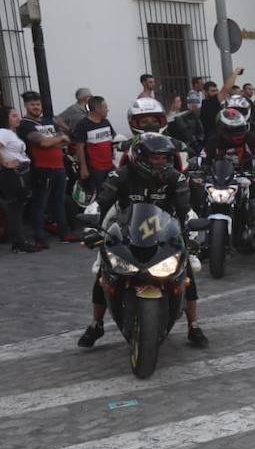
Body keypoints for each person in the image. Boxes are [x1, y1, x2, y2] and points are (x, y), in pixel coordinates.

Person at [78, 132, 209, 349]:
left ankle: (193, 325)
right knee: (103, 271)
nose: (161, 162)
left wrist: (193, 240)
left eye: (165, 158)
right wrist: (91, 229)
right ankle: (96, 323)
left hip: (165, 233)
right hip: (125, 232)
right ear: (140, 157)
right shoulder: (120, 176)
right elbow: (100, 204)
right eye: (155, 158)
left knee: (186, 271)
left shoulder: (175, 178)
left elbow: (187, 211)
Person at [201, 107, 255, 260]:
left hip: (248, 180)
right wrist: (198, 167)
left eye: (239, 129)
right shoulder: (213, 141)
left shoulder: (251, 138)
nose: (237, 133)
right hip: (220, 182)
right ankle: (204, 245)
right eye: (232, 130)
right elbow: (203, 157)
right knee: (204, 208)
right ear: (221, 128)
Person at [17, 91, 74, 247]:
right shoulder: (25, 124)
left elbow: (66, 140)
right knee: (40, 204)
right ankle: (39, 238)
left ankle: (65, 234)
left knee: (59, 202)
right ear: (26, 106)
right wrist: (57, 139)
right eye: (32, 104)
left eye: (37, 104)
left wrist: (54, 140)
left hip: (59, 167)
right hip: (41, 169)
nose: (35, 107)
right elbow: (42, 143)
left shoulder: (49, 121)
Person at [0, 106, 38, 253]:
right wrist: (5, 162)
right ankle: (19, 242)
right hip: (13, 174)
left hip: (20, 171)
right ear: (6, 118)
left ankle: (19, 241)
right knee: (15, 208)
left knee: (18, 207)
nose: (18, 118)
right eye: (14, 116)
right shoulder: (2, 132)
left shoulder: (11, 133)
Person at [71, 97, 117, 193]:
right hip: (95, 169)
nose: (108, 110)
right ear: (97, 109)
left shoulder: (106, 122)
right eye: (105, 107)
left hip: (109, 165)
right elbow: (79, 147)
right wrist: (83, 168)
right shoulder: (83, 125)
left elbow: (113, 139)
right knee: (98, 193)